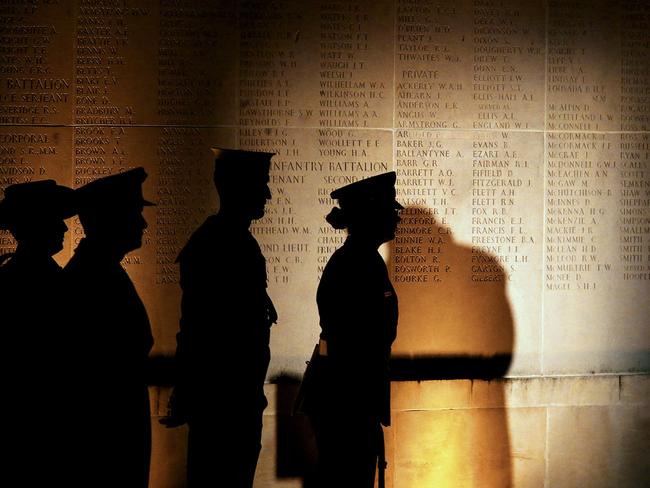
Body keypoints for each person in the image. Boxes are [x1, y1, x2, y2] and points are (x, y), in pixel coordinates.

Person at [163, 148, 278, 487]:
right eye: (261, 185)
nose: (268, 195)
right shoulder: (215, 245)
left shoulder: (237, 242)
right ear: (236, 188)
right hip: (222, 403)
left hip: (237, 398)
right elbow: (197, 327)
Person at [305, 171, 402, 488]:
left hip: (351, 394)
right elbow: (352, 338)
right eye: (390, 211)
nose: (396, 217)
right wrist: (362, 405)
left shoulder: (364, 260)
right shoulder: (356, 263)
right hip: (347, 397)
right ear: (371, 215)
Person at [64, 168, 155, 487]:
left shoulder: (100, 271)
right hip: (106, 438)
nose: (143, 223)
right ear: (112, 219)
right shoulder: (92, 279)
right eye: (135, 213)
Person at [0, 179, 77, 485]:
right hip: (36, 423)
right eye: (54, 220)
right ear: (34, 226)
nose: (64, 229)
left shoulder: (22, 275)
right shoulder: (35, 282)